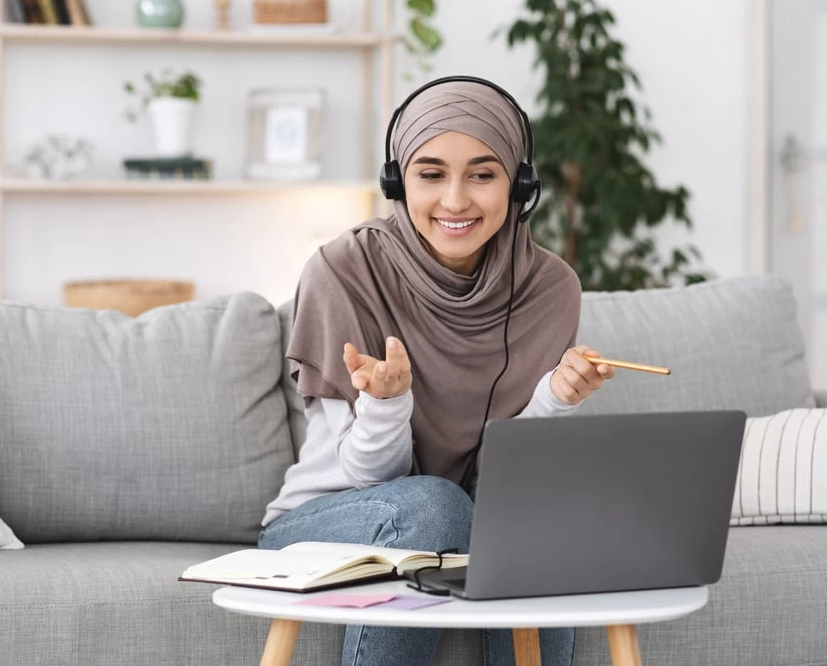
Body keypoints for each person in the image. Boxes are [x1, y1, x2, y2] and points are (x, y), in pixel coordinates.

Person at [259, 76, 615, 666]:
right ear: (398, 181)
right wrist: (387, 403)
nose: (455, 200)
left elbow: (509, 479)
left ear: (520, 184)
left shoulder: (550, 288)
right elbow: (364, 475)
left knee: (536, 512)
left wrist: (555, 398)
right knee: (433, 507)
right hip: (333, 517)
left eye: (482, 175)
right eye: (430, 174)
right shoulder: (342, 271)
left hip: (475, 512)